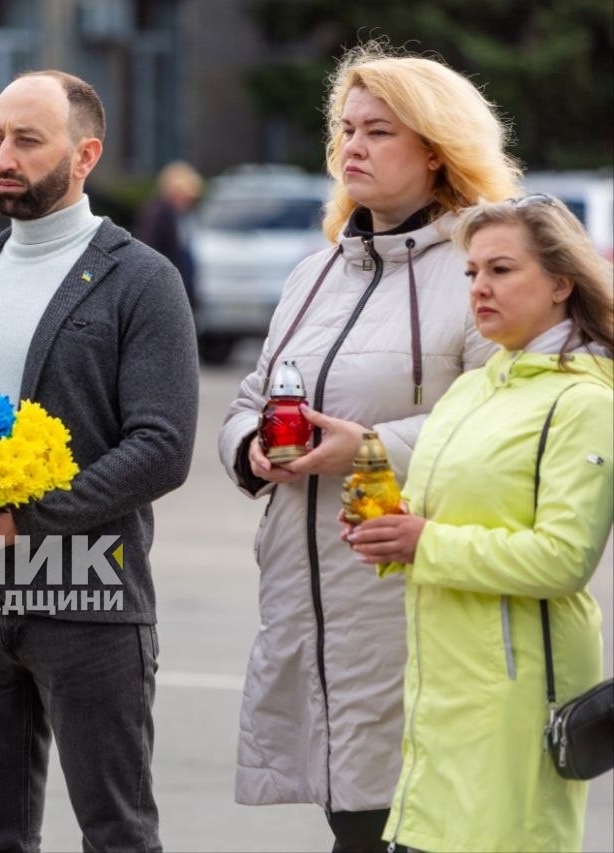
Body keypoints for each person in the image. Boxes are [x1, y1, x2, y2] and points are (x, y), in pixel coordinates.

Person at [0, 70, 197, 852]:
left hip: (90, 601)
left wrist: (21, 521)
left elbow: (162, 446)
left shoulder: (141, 280)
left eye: (26, 140)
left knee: (116, 831)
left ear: (85, 155)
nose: (3, 157)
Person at [216, 42, 521, 851]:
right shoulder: (312, 275)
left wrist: (370, 446)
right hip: (303, 594)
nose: (352, 146)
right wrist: (251, 447)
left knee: (409, 823)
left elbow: (508, 422)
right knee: (353, 821)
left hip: (409, 598)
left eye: (378, 131)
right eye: (346, 129)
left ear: (436, 150)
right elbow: (247, 402)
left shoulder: (482, 268)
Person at [344, 196, 613, 852]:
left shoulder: (585, 401)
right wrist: (390, 526)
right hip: (439, 675)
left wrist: (425, 542)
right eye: (470, 273)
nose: (480, 288)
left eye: (500, 269)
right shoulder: (473, 386)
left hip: (519, 691)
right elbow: (449, 520)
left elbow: (563, 559)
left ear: (560, 282)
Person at [136, 159, 201, 308]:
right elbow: (151, 253)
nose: (189, 201)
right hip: (166, 292)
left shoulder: (180, 216)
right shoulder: (157, 216)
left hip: (179, 289)